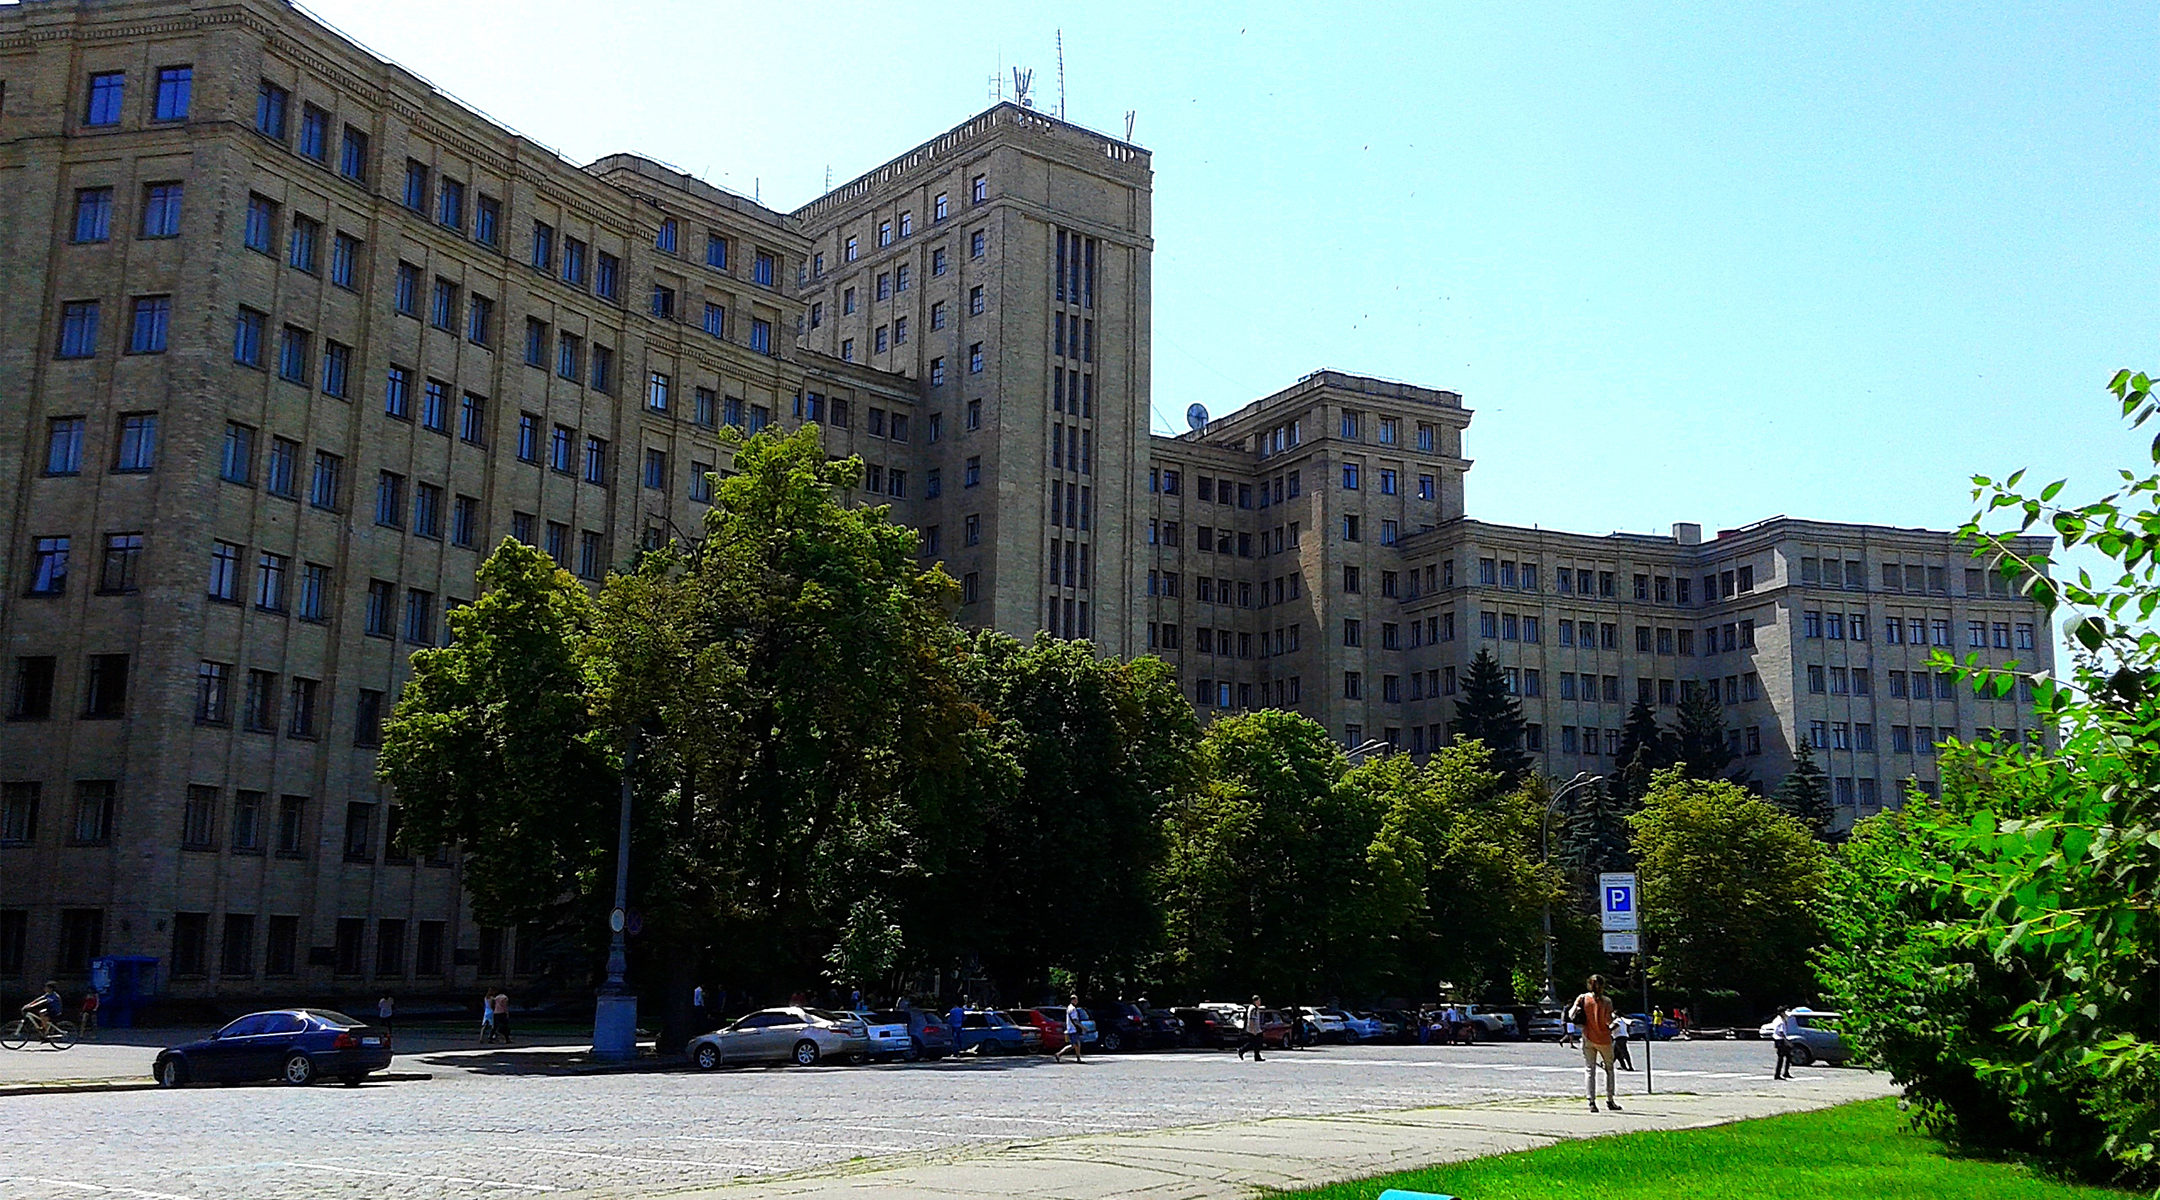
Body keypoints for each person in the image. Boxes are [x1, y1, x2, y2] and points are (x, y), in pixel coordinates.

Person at [1567, 974, 1621, 1112]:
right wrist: (1616, 1023)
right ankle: (1610, 1100)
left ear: (1589, 985)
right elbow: (1609, 1021)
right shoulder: (1607, 1001)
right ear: (1603, 986)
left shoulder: (1583, 998)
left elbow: (1571, 1014)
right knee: (1609, 1069)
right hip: (1604, 1038)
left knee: (1590, 1069)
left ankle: (1591, 1101)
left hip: (1588, 1037)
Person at [1054, 996, 1084, 1063]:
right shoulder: (1072, 1009)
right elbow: (1075, 1020)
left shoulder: (1069, 1008)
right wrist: (1083, 1027)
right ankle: (1059, 1054)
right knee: (1075, 1044)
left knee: (1076, 1044)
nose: (1077, 1001)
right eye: (1076, 1000)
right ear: (1072, 1000)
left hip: (1070, 1028)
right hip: (1073, 1029)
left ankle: (1078, 1058)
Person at [1236, 996, 1266, 1062]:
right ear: (1255, 1001)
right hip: (1254, 1029)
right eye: (1259, 1001)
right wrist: (1253, 1030)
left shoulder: (1254, 1008)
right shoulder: (1253, 1009)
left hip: (1256, 1029)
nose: (1260, 1002)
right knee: (1253, 1043)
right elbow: (1251, 1019)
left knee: (1256, 1043)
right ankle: (1241, 1050)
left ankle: (1257, 1056)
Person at [1770, 1006, 1793, 1079]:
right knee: (1781, 1058)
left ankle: (1786, 1072)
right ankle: (1777, 1074)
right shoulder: (1779, 1021)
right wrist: (1787, 1042)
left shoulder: (1782, 1019)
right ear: (1781, 1013)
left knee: (1788, 1056)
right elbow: (1781, 1032)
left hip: (1780, 1039)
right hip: (1780, 1040)